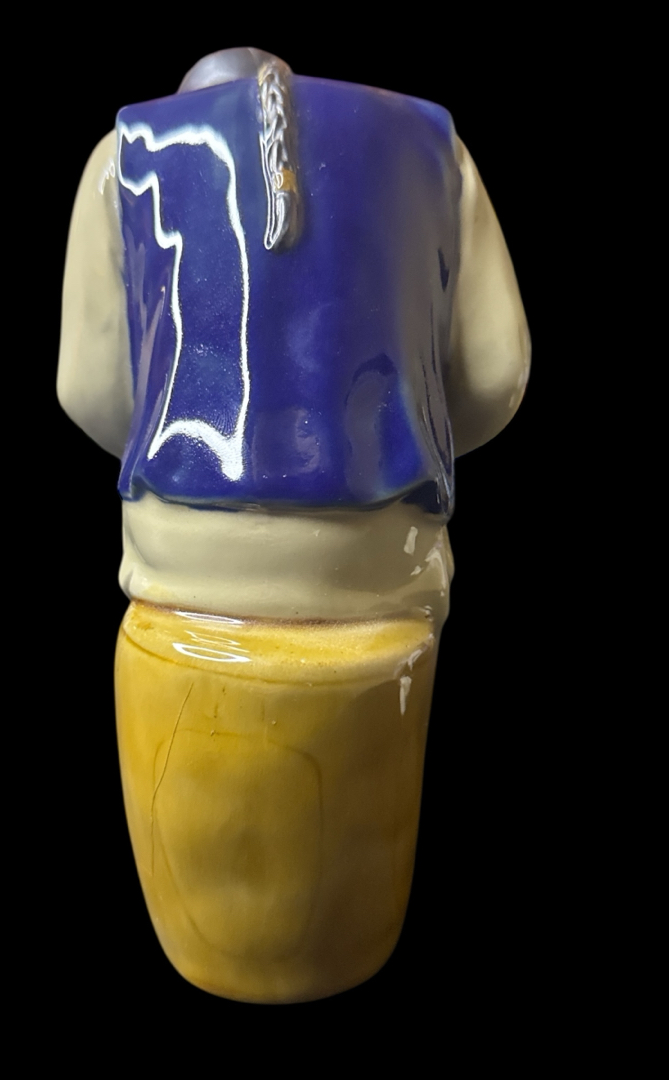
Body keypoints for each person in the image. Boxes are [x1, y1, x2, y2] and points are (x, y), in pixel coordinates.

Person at [57, 47, 530, 1003]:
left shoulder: (125, 153)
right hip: (385, 576)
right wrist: (407, 435)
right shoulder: (439, 150)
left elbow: (89, 388)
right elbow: (495, 374)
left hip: (181, 574)